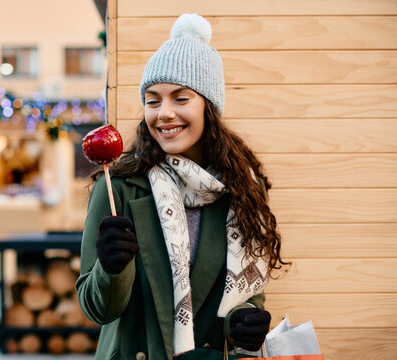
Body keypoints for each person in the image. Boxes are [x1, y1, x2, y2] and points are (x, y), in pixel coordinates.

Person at [76, 13, 288, 360]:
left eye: (181, 98)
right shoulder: (118, 188)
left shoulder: (243, 190)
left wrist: (245, 321)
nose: (164, 113)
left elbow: (245, 294)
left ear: (208, 105)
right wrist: (109, 268)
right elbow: (96, 309)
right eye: (153, 100)